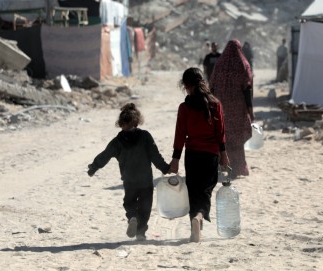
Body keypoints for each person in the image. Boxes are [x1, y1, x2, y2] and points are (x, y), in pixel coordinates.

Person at [87, 103, 170, 241]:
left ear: (121, 123)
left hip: (129, 179)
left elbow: (105, 155)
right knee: (145, 206)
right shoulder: (145, 136)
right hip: (145, 180)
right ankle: (141, 232)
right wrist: (166, 168)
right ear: (137, 121)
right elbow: (155, 156)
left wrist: (93, 167)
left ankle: (132, 217)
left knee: (129, 202)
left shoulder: (117, 141)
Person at [169, 67, 230, 243]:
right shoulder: (215, 104)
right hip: (210, 154)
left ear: (186, 85)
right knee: (206, 190)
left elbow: (180, 134)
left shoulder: (184, 107)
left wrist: (175, 159)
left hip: (192, 154)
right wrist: (223, 154)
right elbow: (221, 133)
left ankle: (195, 227)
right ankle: (200, 216)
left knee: (193, 191)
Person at [209, 39, 254, 179]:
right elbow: (247, 88)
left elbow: (212, 86)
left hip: (220, 109)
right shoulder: (243, 64)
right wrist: (250, 110)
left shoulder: (220, 64)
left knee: (222, 138)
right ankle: (236, 168)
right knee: (237, 140)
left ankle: (221, 166)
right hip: (238, 111)